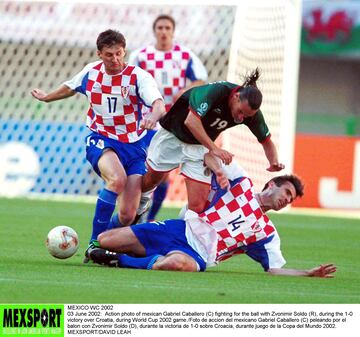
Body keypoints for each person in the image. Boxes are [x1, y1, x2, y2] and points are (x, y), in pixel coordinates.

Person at [31, 29, 166, 259]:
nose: (115, 60)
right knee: (117, 179)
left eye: (119, 54)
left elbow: (159, 103)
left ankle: (107, 238)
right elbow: (70, 87)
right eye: (109, 55)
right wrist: (46, 97)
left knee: (126, 215)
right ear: (99, 54)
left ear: (125, 51)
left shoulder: (138, 77)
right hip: (100, 137)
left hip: (133, 146)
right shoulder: (91, 72)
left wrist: (153, 116)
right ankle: (95, 244)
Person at [88, 154, 336, 278]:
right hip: (180, 229)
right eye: (287, 192)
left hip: (199, 255)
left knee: (174, 265)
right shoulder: (241, 182)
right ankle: (128, 249)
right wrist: (218, 169)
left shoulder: (267, 233)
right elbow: (208, 156)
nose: (287, 200)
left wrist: (307, 273)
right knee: (105, 239)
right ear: (271, 184)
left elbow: (274, 269)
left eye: (291, 200)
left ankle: (120, 261)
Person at [138, 68, 285, 218]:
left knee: (198, 206)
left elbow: (266, 141)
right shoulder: (217, 91)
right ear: (236, 97)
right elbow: (191, 121)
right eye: (240, 112)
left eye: (246, 116)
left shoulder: (249, 113)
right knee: (151, 181)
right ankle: (139, 207)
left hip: (199, 147)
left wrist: (273, 161)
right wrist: (214, 148)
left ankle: (183, 231)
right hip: (173, 135)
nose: (241, 118)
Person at [127, 14, 208, 221]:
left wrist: (186, 90)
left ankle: (148, 218)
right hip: (145, 122)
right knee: (142, 172)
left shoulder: (184, 55)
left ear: (173, 31)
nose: (163, 31)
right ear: (154, 31)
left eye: (167, 28)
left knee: (162, 176)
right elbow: (128, 80)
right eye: (160, 27)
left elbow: (200, 79)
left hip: (172, 124)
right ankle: (133, 212)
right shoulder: (141, 55)